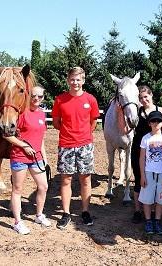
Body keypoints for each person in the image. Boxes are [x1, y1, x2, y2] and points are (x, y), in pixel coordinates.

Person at [52, 66, 100, 229]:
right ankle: (65, 213)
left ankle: (85, 211)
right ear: (68, 80)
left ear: (83, 81)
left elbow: (93, 122)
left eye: (78, 79)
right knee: (66, 180)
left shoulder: (90, 99)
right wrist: (69, 133)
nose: (75, 82)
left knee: (85, 180)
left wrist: (84, 134)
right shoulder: (60, 99)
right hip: (66, 145)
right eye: (72, 79)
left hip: (85, 145)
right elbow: (57, 123)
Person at [4, 85, 51, 235]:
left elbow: (41, 139)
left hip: (36, 157)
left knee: (43, 186)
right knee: (17, 189)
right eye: (33, 95)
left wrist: (45, 158)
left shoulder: (42, 114)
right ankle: (17, 222)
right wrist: (24, 146)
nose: (36, 98)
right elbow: (7, 135)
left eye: (40, 96)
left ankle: (39, 215)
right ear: (28, 95)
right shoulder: (21, 113)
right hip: (20, 157)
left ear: (43, 98)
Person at [131, 85, 162, 224]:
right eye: (141, 98)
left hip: (156, 150)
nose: (144, 100)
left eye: (146, 96)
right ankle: (137, 210)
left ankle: (154, 210)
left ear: (151, 95)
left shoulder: (161, 111)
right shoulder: (136, 112)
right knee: (139, 179)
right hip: (139, 149)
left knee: (156, 180)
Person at [139, 110, 162, 235]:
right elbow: (142, 158)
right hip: (148, 172)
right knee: (147, 199)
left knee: (160, 199)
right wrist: (142, 175)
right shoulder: (146, 138)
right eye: (153, 121)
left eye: (159, 121)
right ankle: (148, 221)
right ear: (149, 123)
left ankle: (157, 221)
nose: (156, 123)